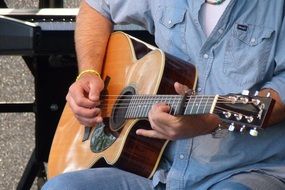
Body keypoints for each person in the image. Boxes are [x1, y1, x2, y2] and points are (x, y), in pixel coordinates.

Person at [42, 0, 285, 189]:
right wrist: (89, 72)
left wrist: (210, 121)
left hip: (245, 171)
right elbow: (96, 7)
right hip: (159, 171)